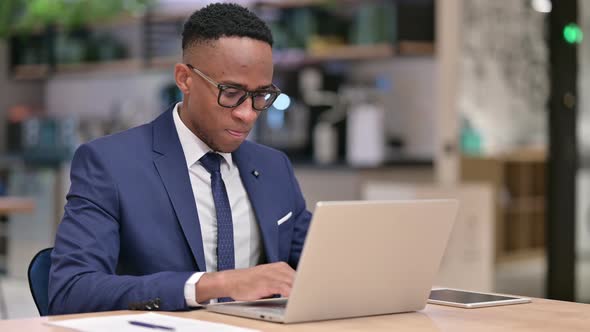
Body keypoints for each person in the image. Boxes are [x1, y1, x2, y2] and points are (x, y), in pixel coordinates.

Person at [48, 3, 312, 314]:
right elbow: (70, 291)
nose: (247, 114)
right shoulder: (110, 164)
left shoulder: (273, 166)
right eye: (230, 93)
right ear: (184, 79)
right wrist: (214, 285)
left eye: (261, 96)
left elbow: (319, 266)